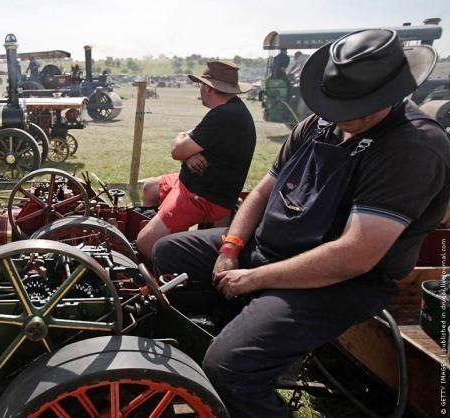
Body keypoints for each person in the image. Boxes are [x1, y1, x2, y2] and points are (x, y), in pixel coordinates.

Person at [153, 29, 450, 417]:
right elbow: (261, 194)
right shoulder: (319, 125)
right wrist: (231, 249)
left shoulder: (412, 146)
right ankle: (227, 327)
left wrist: (257, 278)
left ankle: (240, 364)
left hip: (338, 281)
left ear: (392, 92)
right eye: (340, 103)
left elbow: (355, 255)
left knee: (230, 368)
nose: (345, 116)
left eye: (359, 106)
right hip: (270, 252)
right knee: (169, 251)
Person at [136, 61, 256, 260]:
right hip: (197, 185)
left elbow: (176, 150)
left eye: (201, 85)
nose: (199, 90)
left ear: (208, 88)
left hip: (202, 196)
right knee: (150, 187)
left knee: (144, 242)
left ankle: (170, 278)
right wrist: (189, 154)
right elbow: (184, 144)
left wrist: (185, 151)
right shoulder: (231, 110)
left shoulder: (223, 116)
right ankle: (166, 234)